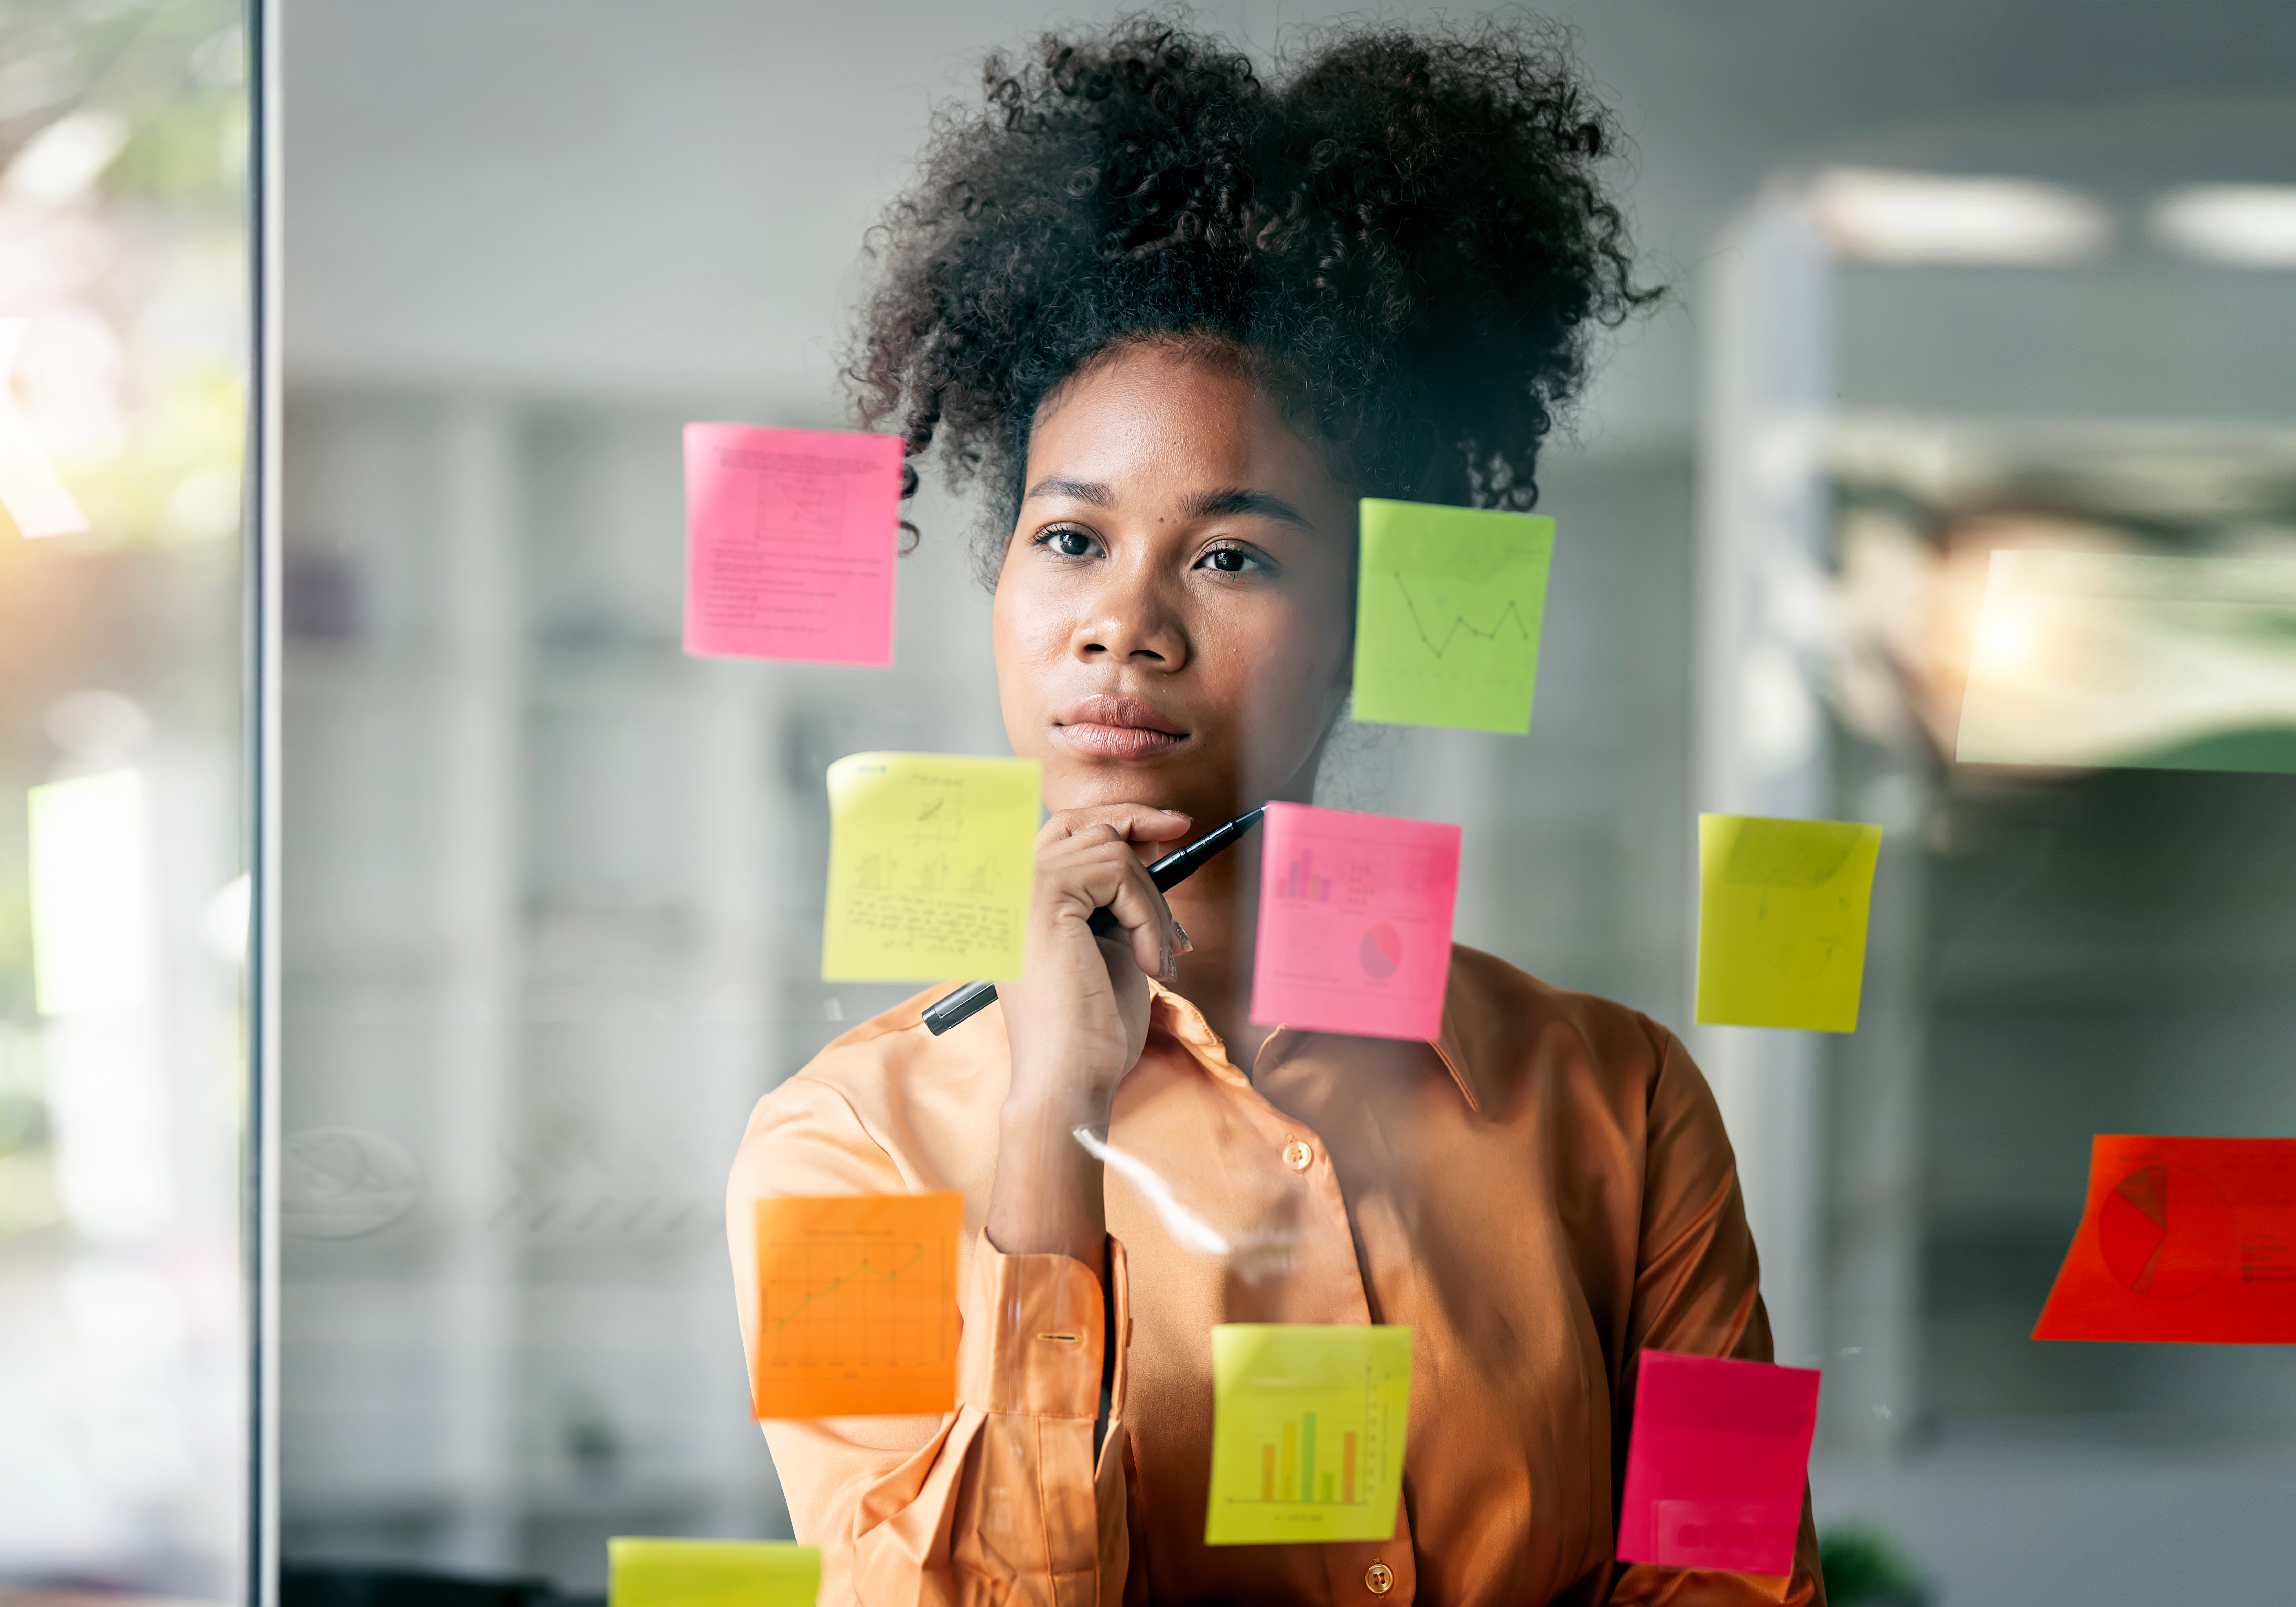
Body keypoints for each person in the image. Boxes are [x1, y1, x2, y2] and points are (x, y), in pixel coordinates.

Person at [725, 16, 1823, 1607]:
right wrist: (1052, 1129)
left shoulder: (1624, 1105)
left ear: (1361, 628)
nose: (1127, 624)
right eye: (1070, 540)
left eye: (1232, 555)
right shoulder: (840, 1148)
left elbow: (1739, 1581)